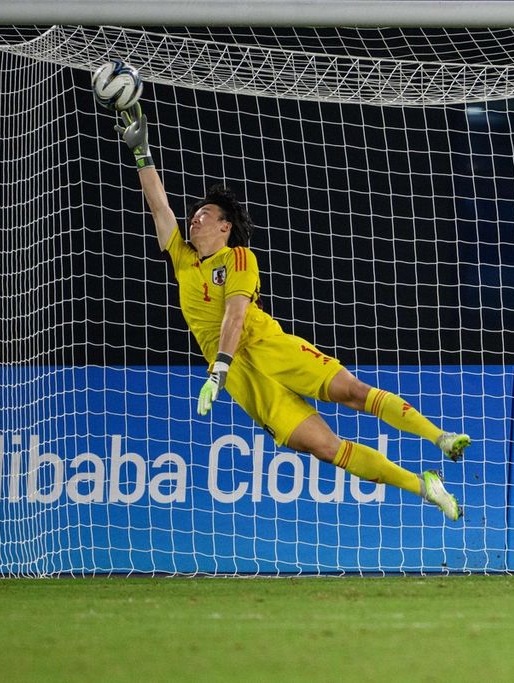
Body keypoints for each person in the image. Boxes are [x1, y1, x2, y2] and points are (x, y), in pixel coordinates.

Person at [113, 103, 470, 521]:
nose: (194, 220)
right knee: (326, 448)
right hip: (243, 377)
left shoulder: (239, 258)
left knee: (352, 392)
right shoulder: (182, 257)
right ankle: (424, 486)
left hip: (267, 347)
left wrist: (217, 372)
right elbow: (159, 207)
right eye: (193, 216)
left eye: (204, 215)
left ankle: (440, 438)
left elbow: (235, 315)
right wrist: (141, 152)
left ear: (224, 227)